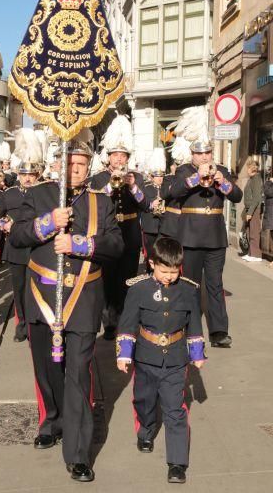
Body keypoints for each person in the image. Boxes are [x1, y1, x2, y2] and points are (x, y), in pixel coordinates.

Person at [9, 139, 124, 483]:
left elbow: (117, 245)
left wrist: (81, 244)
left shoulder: (101, 202)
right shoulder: (40, 193)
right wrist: (47, 223)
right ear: (57, 162)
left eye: (80, 164)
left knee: (77, 374)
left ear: (88, 166)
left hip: (84, 298)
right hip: (43, 295)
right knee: (47, 370)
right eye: (68, 163)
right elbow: (16, 236)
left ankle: (77, 453)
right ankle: (52, 420)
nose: (73, 169)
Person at [116, 237, 205, 484]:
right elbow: (127, 323)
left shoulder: (188, 290)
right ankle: (145, 431)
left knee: (175, 410)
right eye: (164, 271)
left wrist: (197, 354)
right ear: (152, 263)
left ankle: (177, 463)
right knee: (144, 401)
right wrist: (124, 354)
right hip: (145, 357)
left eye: (174, 272)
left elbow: (194, 323)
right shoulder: (138, 289)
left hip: (176, 358)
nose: (169, 276)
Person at [169, 140, 243, 348]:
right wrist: (196, 177)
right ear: (192, 154)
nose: (204, 157)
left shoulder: (222, 170)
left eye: (207, 153)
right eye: (200, 153)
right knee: (190, 285)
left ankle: (219, 331)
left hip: (215, 236)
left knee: (215, 284)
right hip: (190, 235)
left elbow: (237, 196)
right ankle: (189, 329)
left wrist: (223, 182)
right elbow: (174, 193)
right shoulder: (184, 170)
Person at [90, 115, 146, 340]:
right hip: (109, 234)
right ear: (109, 158)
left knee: (127, 279)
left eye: (123, 156)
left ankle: (124, 319)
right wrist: (110, 184)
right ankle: (109, 322)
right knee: (107, 279)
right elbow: (96, 201)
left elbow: (145, 204)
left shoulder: (136, 177)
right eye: (116, 155)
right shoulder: (98, 179)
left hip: (130, 233)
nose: (119, 159)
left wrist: (132, 186)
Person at [0, 161, 40, 341]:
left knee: (37, 289)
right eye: (24, 174)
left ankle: (36, 325)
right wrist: (4, 225)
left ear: (37, 176)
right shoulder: (8, 194)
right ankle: (22, 326)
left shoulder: (44, 192)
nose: (28, 178)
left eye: (32, 175)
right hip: (17, 249)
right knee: (19, 290)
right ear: (18, 175)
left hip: (38, 248)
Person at [242, 159, 263, 262]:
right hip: (249, 209)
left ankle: (256, 255)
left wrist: (250, 212)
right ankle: (251, 253)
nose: (246, 170)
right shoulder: (251, 179)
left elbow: (256, 198)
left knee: (254, 232)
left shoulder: (256, 179)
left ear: (251, 168)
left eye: (247, 168)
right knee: (249, 231)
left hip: (254, 209)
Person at [262, 173, 273, 268]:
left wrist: (270, 183)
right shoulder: (269, 183)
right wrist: (270, 182)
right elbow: (266, 191)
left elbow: (269, 192)